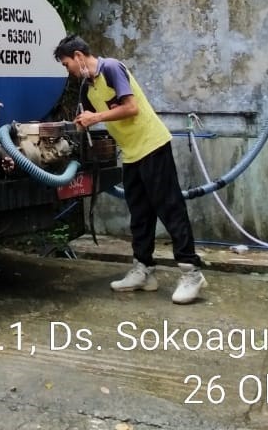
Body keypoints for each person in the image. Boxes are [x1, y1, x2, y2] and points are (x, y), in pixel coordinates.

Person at [53, 34, 207, 304]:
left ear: (78, 56)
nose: (69, 71)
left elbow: (131, 107)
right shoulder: (89, 89)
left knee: (169, 208)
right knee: (140, 213)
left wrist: (96, 117)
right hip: (132, 153)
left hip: (153, 145)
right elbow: (86, 119)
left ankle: (191, 272)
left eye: (67, 64)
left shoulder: (112, 68)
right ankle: (144, 270)